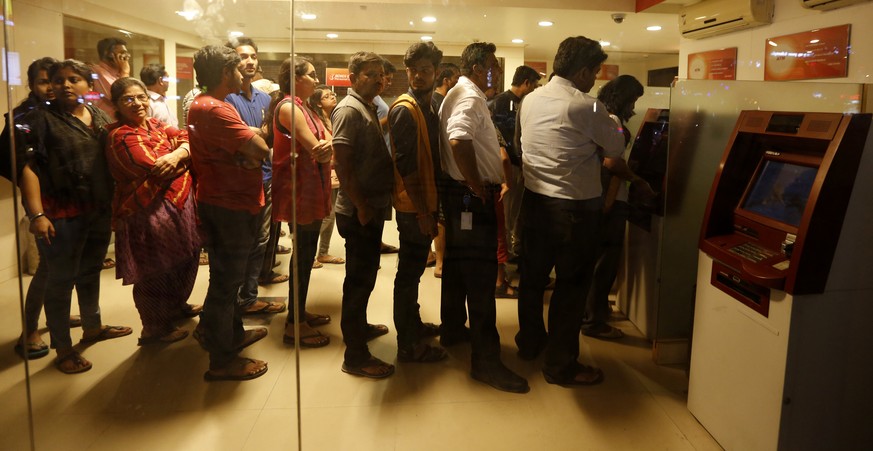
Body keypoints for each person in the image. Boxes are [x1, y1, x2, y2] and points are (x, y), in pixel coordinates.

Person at [515, 36, 651, 386]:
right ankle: (560, 365)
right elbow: (616, 145)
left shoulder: (531, 99)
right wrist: (611, 121)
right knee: (571, 289)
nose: (595, 79)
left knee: (532, 282)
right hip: (574, 211)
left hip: (534, 203)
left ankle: (530, 344)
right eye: (594, 72)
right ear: (582, 70)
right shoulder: (586, 106)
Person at [17, 59, 132, 373]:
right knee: (60, 280)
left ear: (89, 85)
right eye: (59, 80)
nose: (65, 85)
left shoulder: (97, 114)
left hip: (96, 207)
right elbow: (28, 168)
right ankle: (63, 349)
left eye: (73, 79)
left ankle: (93, 327)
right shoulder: (40, 118)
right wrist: (37, 214)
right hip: (61, 212)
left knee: (90, 271)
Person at [438, 42, 528, 394]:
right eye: (492, 65)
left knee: (460, 270)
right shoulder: (471, 97)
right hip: (470, 196)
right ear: (478, 68)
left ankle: (453, 329)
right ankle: (486, 361)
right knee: (480, 278)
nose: (497, 71)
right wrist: (477, 185)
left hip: (459, 193)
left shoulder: (461, 91)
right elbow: (459, 140)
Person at [187, 45, 270, 381]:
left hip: (229, 201)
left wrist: (247, 153)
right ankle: (221, 360)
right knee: (225, 283)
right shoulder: (214, 110)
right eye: (237, 69)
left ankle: (231, 337)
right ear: (225, 73)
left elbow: (252, 151)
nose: (242, 74)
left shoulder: (210, 105)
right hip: (229, 205)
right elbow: (261, 149)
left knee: (228, 279)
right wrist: (251, 151)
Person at [105, 77, 202, 345]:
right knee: (155, 269)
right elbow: (152, 167)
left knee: (185, 258)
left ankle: (175, 307)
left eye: (141, 97)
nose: (137, 103)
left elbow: (186, 138)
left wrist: (178, 153)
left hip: (178, 205)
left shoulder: (157, 126)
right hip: (146, 212)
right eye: (128, 99)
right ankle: (154, 328)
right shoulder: (119, 136)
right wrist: (182, 157)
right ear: (116, 104)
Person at [6, 56, 82, 360]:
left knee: (63, 271)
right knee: (46, 271)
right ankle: (30, 330)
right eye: (44, 81)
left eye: (58, 80)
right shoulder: (24, 117)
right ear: (31, 84)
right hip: (46, 209)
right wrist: (37, 213)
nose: (53, 87)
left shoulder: (62, 113)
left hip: (69, 206)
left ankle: (55, 319)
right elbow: (23, 168)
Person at [332, 51, 395, 379]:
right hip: (359, 210)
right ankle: (355, 356)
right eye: (369, 74)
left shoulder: (367, 106)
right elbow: (341, 163)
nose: (377, 79)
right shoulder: (348, 109)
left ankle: (359, 328)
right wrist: (361, 205)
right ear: (353, 77)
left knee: (366, 277)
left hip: (369, 206)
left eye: (380, 74)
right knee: (358, 281)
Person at [265, 57, 333, 348]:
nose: (317, 81)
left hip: (309, 186)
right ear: (295, 78)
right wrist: (331, 146)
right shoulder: (289, 106)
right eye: (312, 75)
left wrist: (330, 146)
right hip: (299, 189)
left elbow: (329, 141)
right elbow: (318, 148)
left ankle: (298, 312)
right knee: (303, 255)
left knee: (306, 254)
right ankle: (294, 325)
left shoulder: (304, 107)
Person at [386, 41, 447, 363]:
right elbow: (406, 165)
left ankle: (414, 325)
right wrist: (423, 211)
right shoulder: (404, 108)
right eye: (413, 70)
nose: (419, 76)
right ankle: (408, 344)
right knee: (407, 275)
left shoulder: (429, 104)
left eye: (425, 70)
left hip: (425, 201)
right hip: (413, 206)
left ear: (436, 72)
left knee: (413, 273)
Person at [224, 37, 288, 314]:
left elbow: (269, 139)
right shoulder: (224, 97)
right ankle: (234, 300)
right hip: (236, 181)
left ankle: (248, 297)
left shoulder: (265, 98)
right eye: (242, 57)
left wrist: (254, 136)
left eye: (252, 56)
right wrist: (255, 135)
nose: (249, 61)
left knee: (260, 241)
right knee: (239, 244)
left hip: (264, 176)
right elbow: (232, 140)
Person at [583, 75, 647, 339]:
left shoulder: (602, 117)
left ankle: (592, 312)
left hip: (598, 199)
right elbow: (612, 164)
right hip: (610, 201)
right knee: (604, 264)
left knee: (597, 262)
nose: (633, 106)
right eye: (633, 100)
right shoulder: (613, 122)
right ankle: (594, 321)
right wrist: (613, 198)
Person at [488, 65, 541, 264]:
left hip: (514, 165)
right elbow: (507, 140)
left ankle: (512, 251)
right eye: (534, 85)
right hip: (509, 166)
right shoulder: (504, 103)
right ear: (526, 83)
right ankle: (506, 256)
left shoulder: (513, 102)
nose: (535, 89)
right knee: (508, 214)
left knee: (514, 213)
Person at [308, 85, 345, 268]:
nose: (332, 97)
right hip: (324, 172)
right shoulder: (317, 120)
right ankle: (311, 253)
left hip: (334, 172)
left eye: (332, 94)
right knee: (325, 215)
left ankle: (322, 252)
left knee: (331, 215)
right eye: (327, 96)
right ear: (318, 103)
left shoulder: (333, 118)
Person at [429, 61, 460, 278]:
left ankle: (436, 257)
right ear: (447, 80)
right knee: (441, 216)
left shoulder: (440, 100)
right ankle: (440, 262)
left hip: (442, 166)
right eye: (456, 79)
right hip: (440, 167)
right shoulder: (438, 101)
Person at [373, 58, 401, 255]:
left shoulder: (378, 98)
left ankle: (378, 241)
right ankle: (375, 243)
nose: (388, 83)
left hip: (386, 157)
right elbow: (373, 127)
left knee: (383, 206)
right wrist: (392, 116)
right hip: (378, 159)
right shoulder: (372, 100)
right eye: (386, 78)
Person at [91, 37, 131, 116]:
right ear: (108, 54)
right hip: (107, 123)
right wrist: (125, 72)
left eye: (127, 53)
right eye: (122, 53)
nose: (127, 57)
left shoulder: (118, 74)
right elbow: (122, 96)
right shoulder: (97, 71)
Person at [140, 64, 179, 128]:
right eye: (167, 78)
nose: (168, 82)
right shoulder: (147, 102)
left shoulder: (160, 99)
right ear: (161, 81)